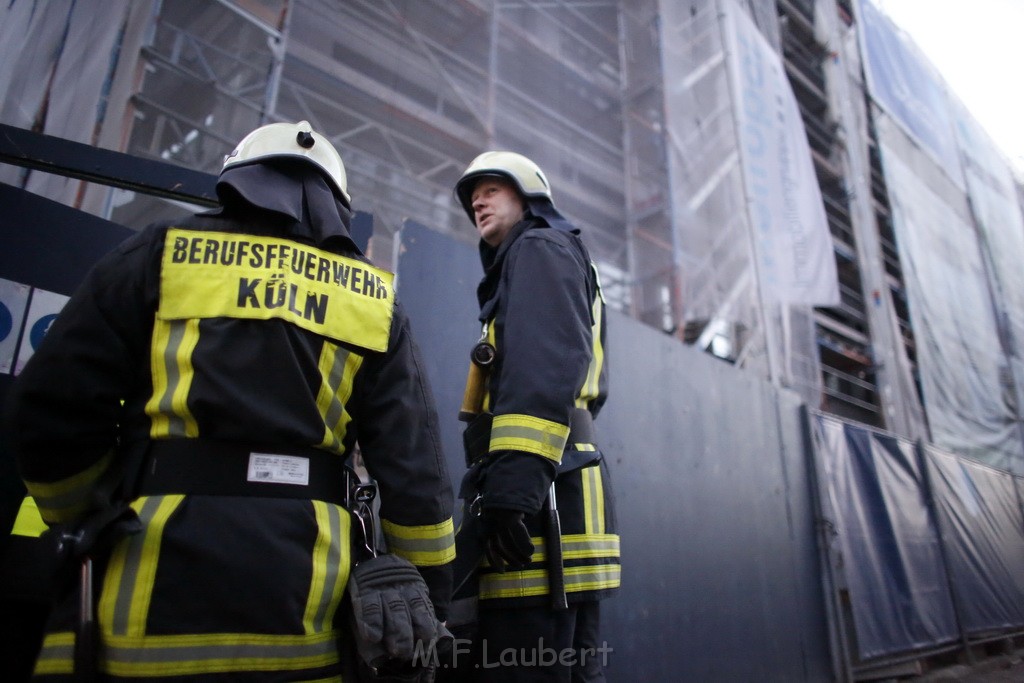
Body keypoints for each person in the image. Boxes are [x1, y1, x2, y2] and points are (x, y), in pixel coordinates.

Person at [2, 120, 455, 680]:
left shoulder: (159, 255)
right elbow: (415, 468)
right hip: (304, 615)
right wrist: (429, 589)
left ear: (237, 180)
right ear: (336, 204)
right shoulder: (374, 300)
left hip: (140, 605)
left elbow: (51, 406)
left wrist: (86, 513)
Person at [450, 151, 620, 682]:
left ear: (528, 194)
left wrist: (512, 494)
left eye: (491, 188)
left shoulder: (540, 247)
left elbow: (544, 372)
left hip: (542, 503)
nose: (477, 199)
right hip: (555, 486)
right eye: (472, 195)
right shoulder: (542, 256)